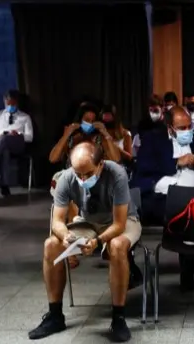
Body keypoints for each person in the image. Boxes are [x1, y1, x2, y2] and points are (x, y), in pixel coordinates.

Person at [29, 142, 142, 342]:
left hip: (121, 221)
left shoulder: (117, 174)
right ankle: (55, 315)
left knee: (116, 246)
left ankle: (118, 318)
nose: (82, 179)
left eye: (88, 174)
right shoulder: (66, 177)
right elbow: (57, 220)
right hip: (88, 221)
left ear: (101, 164)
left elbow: (119, 223)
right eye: (78, 174)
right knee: (51, 245)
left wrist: (98, 242)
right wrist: (65, 236)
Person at [132, 107, 194, 289]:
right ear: (170, 128)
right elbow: (142, 171)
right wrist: (176, 162)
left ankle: (188, 267)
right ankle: (187, 260)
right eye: (182, 128)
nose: (187, 131)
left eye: (189, 126)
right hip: (162, 197)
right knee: (181, 211)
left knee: (191, 210)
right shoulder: (154, 141)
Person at [49, 102, 121, 165]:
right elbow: (53, 159)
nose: (90, 123)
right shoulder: (72, 139)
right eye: (87, 120)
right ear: (80, 120)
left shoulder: (99, 139)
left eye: (93, 121)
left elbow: (116, 159)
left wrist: (106, 133)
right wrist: (65, 135)